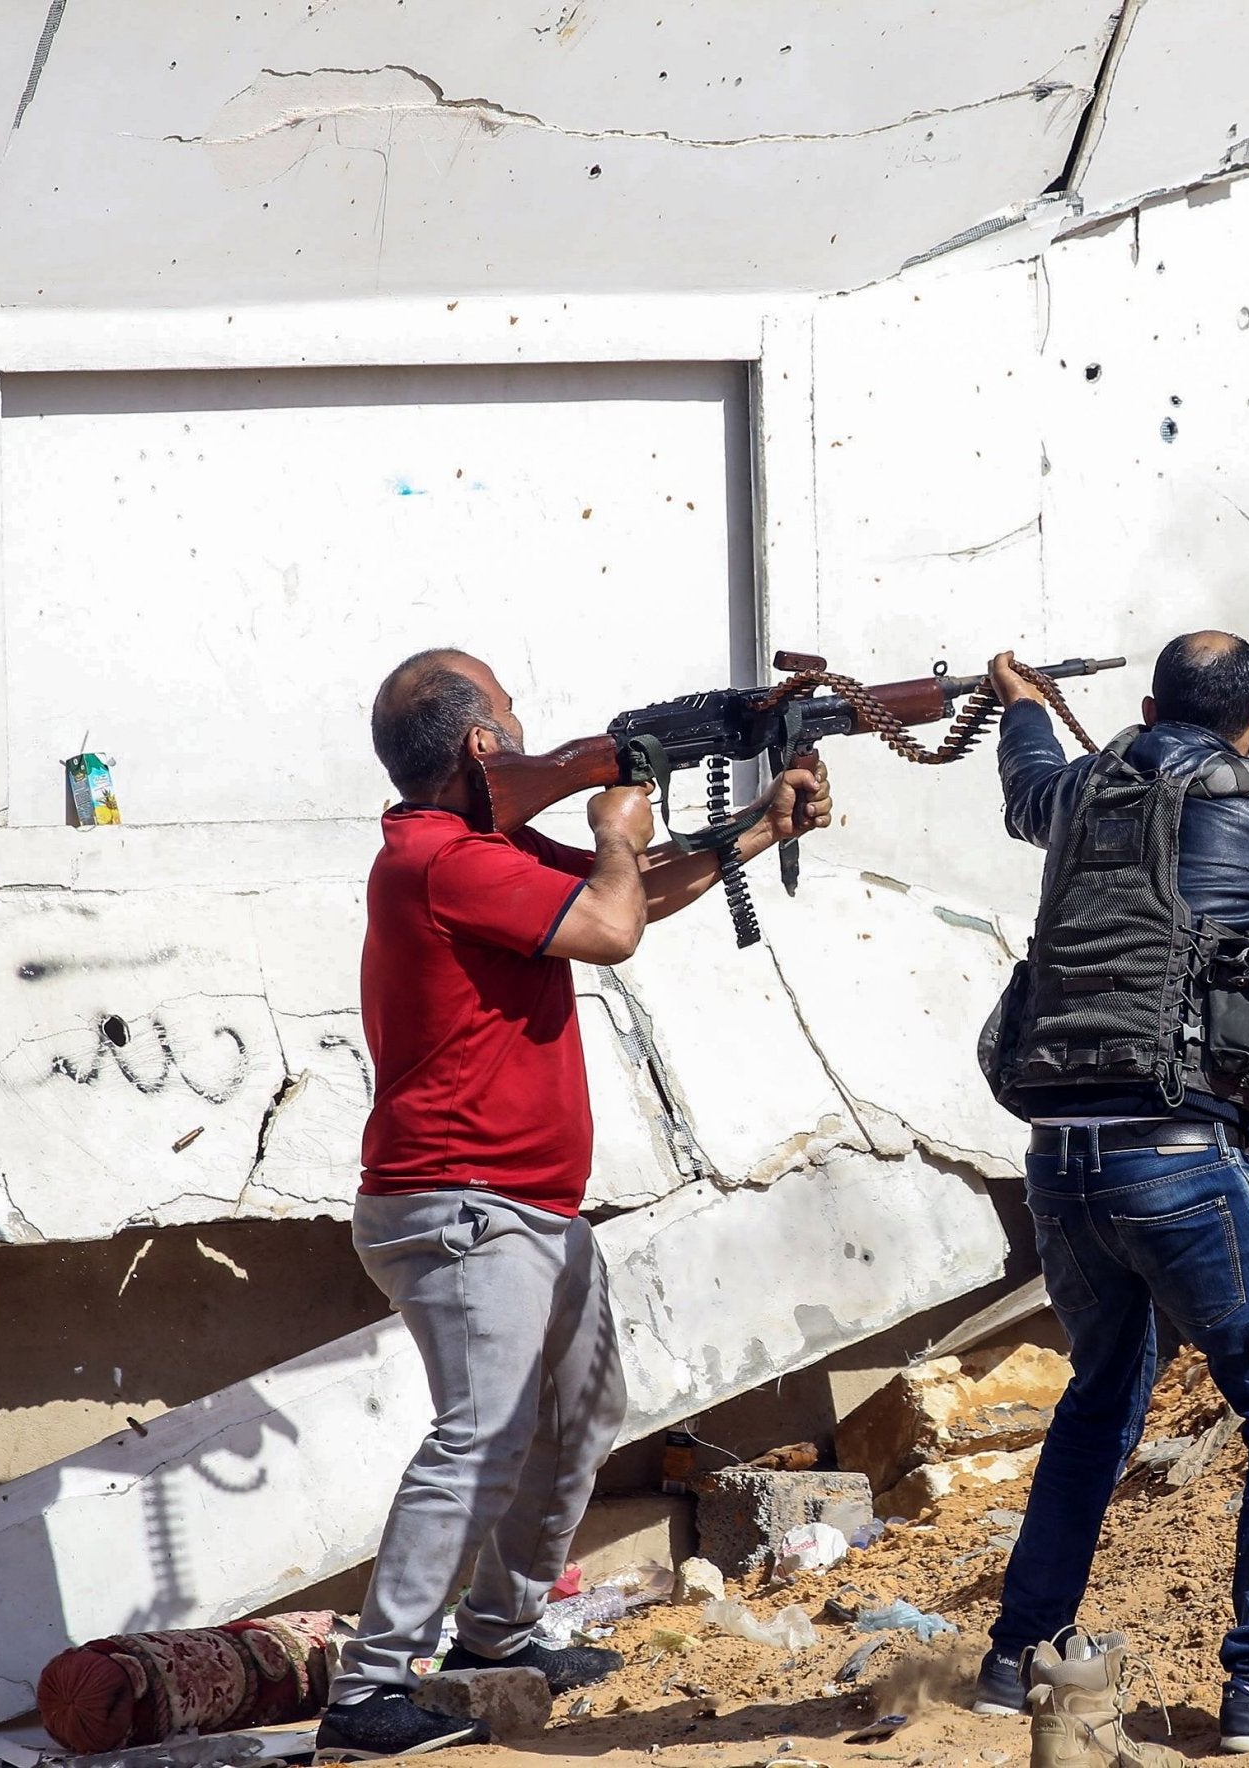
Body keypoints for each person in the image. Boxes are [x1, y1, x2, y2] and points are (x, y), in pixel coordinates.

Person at [315, 649, 833, 1761]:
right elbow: (609, 925)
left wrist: (757, 827)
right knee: (482, 1435)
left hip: (522, 1205)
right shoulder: (437, 859)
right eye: (509, 712)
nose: (525, 722)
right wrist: (611, 830)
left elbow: (630, 896)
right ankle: (365, 1696)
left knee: (579, 1420)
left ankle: (496, 1636)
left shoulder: (478, 848)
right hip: (462, 1205)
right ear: (482, 748)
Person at [971, 632, 1249, 1756]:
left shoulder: (1077, 790)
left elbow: (1024, 784)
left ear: (1143, 704)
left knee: (1101, 1391)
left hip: (1058, 1160)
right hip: (1174, 1156)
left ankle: (1014, 1656)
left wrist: (1020, 704)